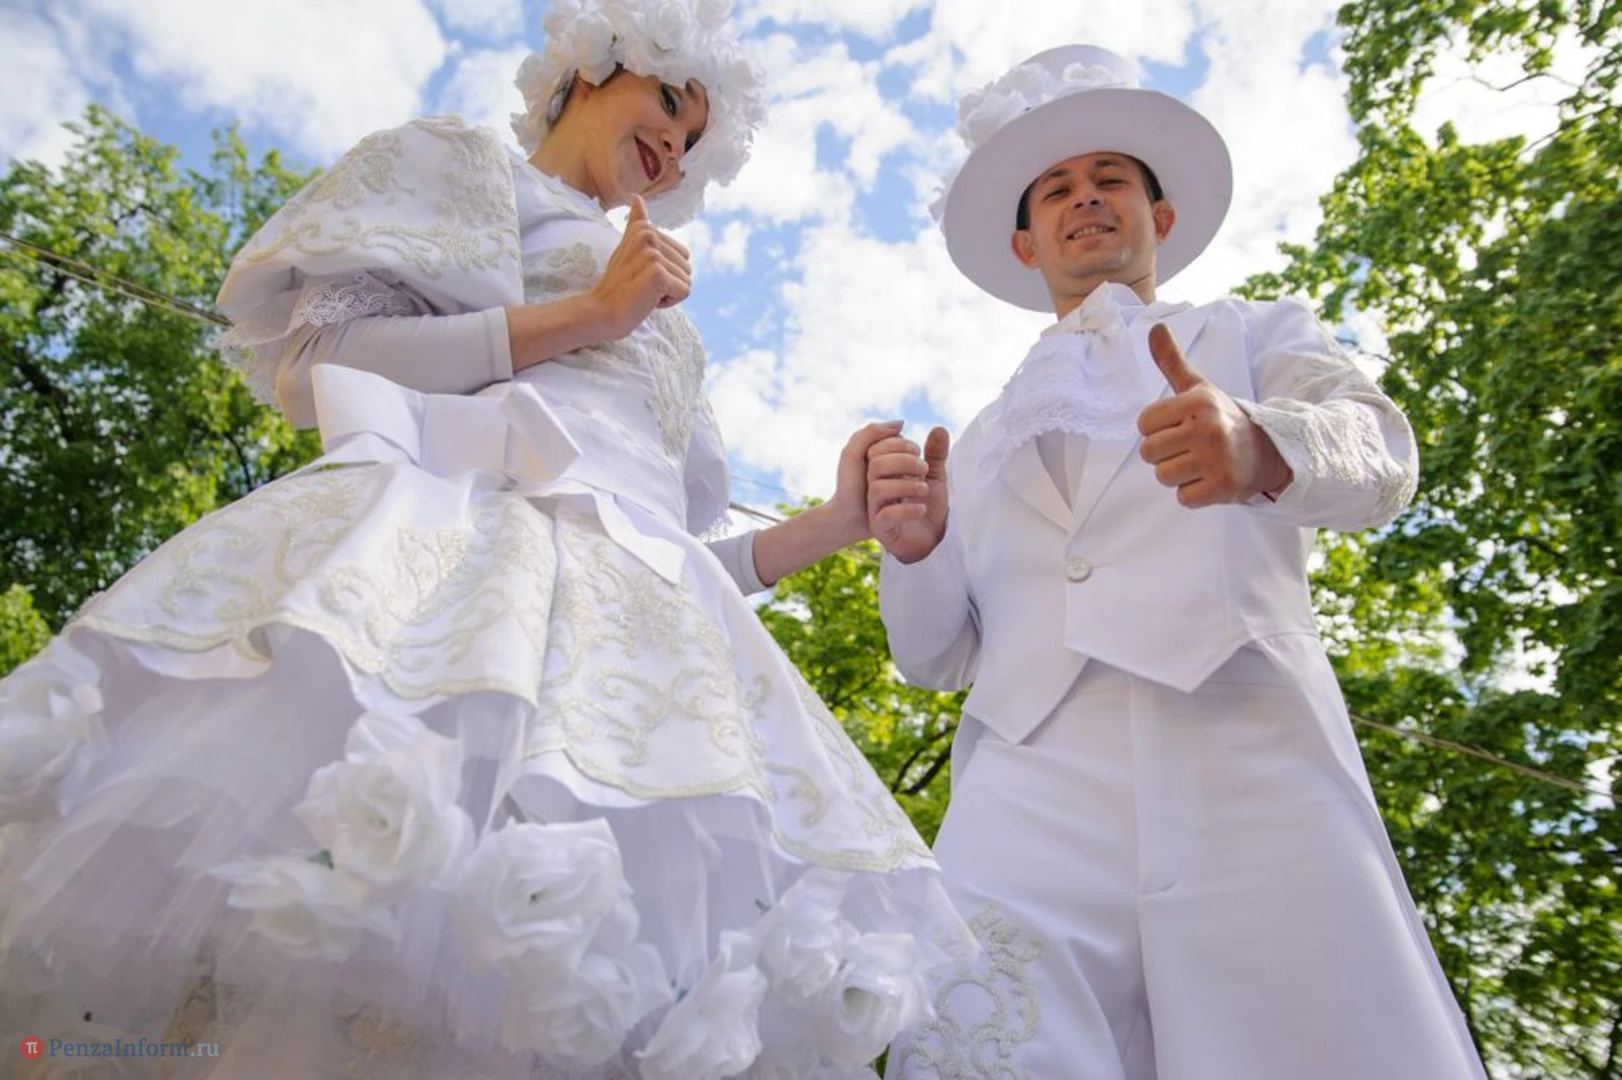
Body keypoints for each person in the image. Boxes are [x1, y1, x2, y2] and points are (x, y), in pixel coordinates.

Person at [0, 3, 967, 1077]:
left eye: (694, 138)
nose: (672, 144)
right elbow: (324, 363)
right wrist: (592, 316)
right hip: (447, 587)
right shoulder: (469, 169)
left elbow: (672, 561)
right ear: (594, 68)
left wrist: (833, 525)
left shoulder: (671, 319)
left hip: (618, 658)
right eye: (666, 102)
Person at [872, 45, 1488, 1080]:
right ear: (1025, 243)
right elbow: (935, 659)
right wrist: (917, 551)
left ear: (1158, 215)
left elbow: (1384, 453)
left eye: (1109, 177)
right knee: (982, 1038)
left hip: (1241, 735)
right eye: (1056, 189)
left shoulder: (1253, 333)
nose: (1085, 197)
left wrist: (1262, 445)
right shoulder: (976, 440)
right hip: (1025, 775)